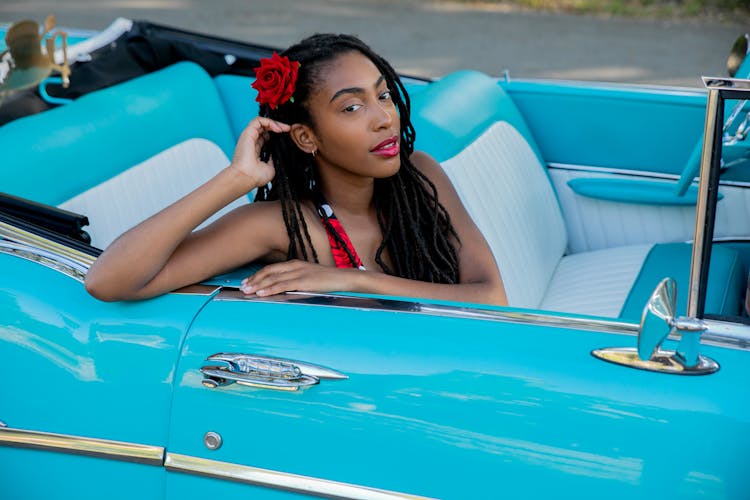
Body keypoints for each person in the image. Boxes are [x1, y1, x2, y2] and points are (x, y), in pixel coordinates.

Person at [85, 33, 507, 306]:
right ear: (307, 138)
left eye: (383, 95)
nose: (384, 118)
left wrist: (352, 281)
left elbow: (493, 298)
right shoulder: (280, 225)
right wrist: (237, 179)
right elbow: (110, 281)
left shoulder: (421, 174)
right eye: (352, 107)